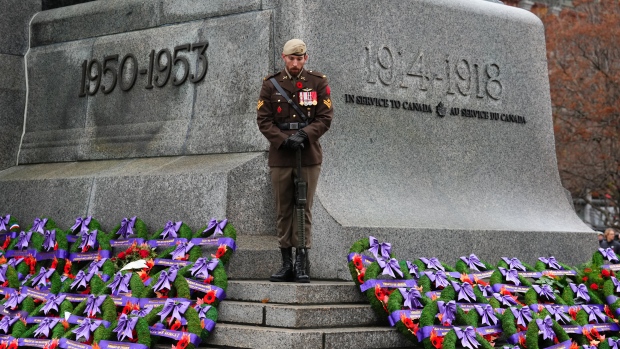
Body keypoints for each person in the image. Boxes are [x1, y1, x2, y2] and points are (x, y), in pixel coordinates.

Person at [256, 39, 333, 283]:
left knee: (304, 207)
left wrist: (305, 135)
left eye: (300, 59)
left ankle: (302, 261)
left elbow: (325, 117)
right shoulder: (270, 84)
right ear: (284, 57)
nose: (296, 63)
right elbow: (264, 120)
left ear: (306, 59)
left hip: (308, 155)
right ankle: (286, 262)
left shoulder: (318, 82)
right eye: (292, 58)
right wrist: (283, 140)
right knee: (283, 210)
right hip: (281, 155)